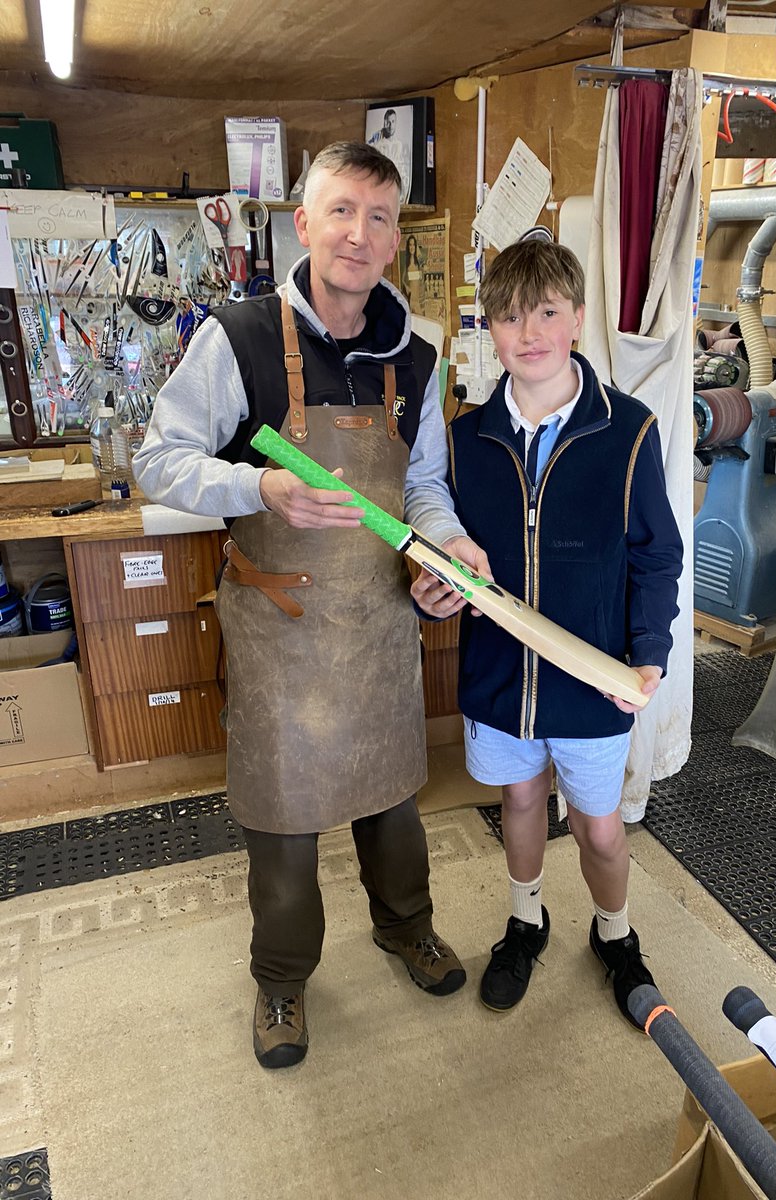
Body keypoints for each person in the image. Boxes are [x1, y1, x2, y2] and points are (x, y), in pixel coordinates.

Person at [133, 142, 481, 1070]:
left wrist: (444, 548)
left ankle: (406, 928)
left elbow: (427, 489)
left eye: (378, 217)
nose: (358, 235)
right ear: (304, 223)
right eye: (340, 211)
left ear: (393, 238)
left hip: (375, 624)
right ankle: (281, 981)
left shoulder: (420, 354)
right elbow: (158, 461)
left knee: (393, 803)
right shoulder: (237, 335)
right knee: (283, 825)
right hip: (281, 635)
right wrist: (259, 490)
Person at [411, 240, 683, 1027]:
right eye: (506, 316)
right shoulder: (464, 442)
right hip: (499, 680)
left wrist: (650, 651)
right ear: (487, 329)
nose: (527, 332)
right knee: (520, 800)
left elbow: (656, 553)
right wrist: (433, 595)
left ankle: (615, 934)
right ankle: (526, 921)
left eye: (547, 313)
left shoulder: (627, 430)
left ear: (578, 320)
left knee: (600, 827)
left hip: (592, 678)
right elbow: (444, 560)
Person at [367, 108, 411, 205]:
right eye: (388, 122)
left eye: (393, 121)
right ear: (384, 122)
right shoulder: (377, 146)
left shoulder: (400, 145)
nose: (391, 125)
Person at [401, 234, 426, 313]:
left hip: (418, 297)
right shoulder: (407, 262)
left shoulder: (418, 261)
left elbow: (425, 269)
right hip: (411, 297)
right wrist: (406, 287)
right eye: (410, 245)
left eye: (414, 245)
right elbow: (402, 279)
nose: (412, 247)